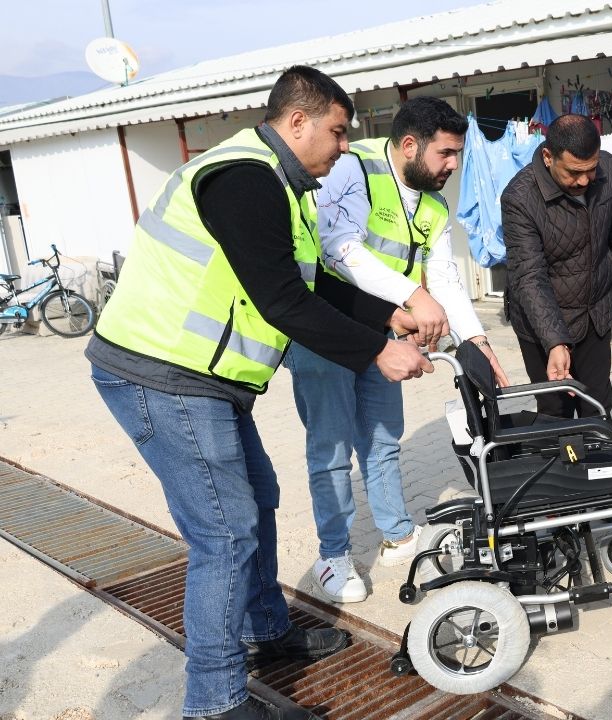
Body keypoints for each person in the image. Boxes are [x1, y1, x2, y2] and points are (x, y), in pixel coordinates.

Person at [88, 66, 431, 720]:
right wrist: (378, 350)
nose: (342, 148)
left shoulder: (284, 188)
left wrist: (389, 314)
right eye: (335, 133)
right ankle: (214, 704)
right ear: (296, 121)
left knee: (258, 499)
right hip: (160, 372)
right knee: (225, 534)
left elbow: (309, 287)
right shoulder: (244, 179)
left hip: (203, 381)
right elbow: (281, 304)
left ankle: (266, 630)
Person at [292, 97, 511, 604]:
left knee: (384, 438)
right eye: (446, 154)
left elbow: (445, 276)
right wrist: (412, 298)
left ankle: (397, 535)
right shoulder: (353, 169)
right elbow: (338, 248)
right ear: (410, 145)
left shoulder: (434, 203)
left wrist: (477, 340)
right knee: (329, 449)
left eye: (457, 155)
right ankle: (334, 555)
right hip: (328, 328)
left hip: (385, 337)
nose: (453, 165)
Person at [502, 113, 612, 418]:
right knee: (555, 411)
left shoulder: (609, 169)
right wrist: (555, 341)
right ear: (548, 157)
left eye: (591, 170)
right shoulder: (519, 198)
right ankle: (562, 464)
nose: (585, 180)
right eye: (574, 173)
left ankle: (600, 464)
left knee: (597, 404)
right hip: (541, 321)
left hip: (595, 312)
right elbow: (529, 277)